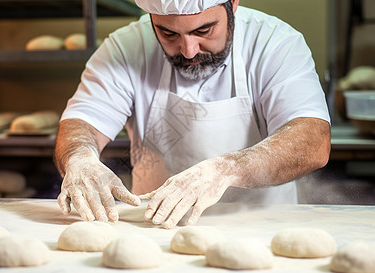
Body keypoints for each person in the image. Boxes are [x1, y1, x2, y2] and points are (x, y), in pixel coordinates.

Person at [54, 0, 331, 229]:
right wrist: (80, 159)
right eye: (169, 34)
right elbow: (82, 122)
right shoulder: (125, 47)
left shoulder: (274, 42)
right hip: (157, 232)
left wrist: (226, 169)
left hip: (265, 229)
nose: (188, 51)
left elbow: (312, 139)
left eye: (204, 30)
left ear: (233, 4)